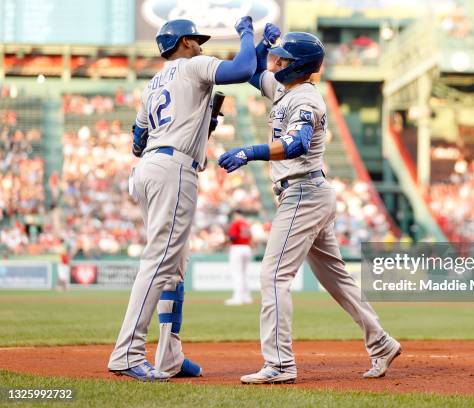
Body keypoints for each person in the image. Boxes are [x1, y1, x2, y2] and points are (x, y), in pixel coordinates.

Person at [218, 30, 401, 384]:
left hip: (303, 191)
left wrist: (249, 151)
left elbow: (297, 144)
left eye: (284, 58)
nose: (277, 62)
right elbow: (255, 72)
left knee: (273, 277)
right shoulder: (286, 89)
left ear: (299, 65)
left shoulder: (306, 99)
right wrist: (253, 39)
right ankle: (381, 342)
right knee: (338, 280)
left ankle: (280, 364)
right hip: (307, 192)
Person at [107, 17, 264, 382]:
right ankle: (127, 353)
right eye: (196, 38)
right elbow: (243, 68)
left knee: (174, 265)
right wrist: (245, 34)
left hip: (150, 168)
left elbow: (137, 142)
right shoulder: (194, 65)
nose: (200, 44)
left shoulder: (153, 83)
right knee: (161, 260)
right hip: (173, 170)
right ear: (184, 42)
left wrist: (195, 122)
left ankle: (169, 355)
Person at [225, 210, 253, 305]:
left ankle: (238, 298)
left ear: (236, 215)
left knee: (237, 273)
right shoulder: (246, 224)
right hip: (247, 247)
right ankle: (246, 297)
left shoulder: (236, 223)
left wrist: (226, 240)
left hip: (237, 248)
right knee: (244, 274)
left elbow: (232, 237)